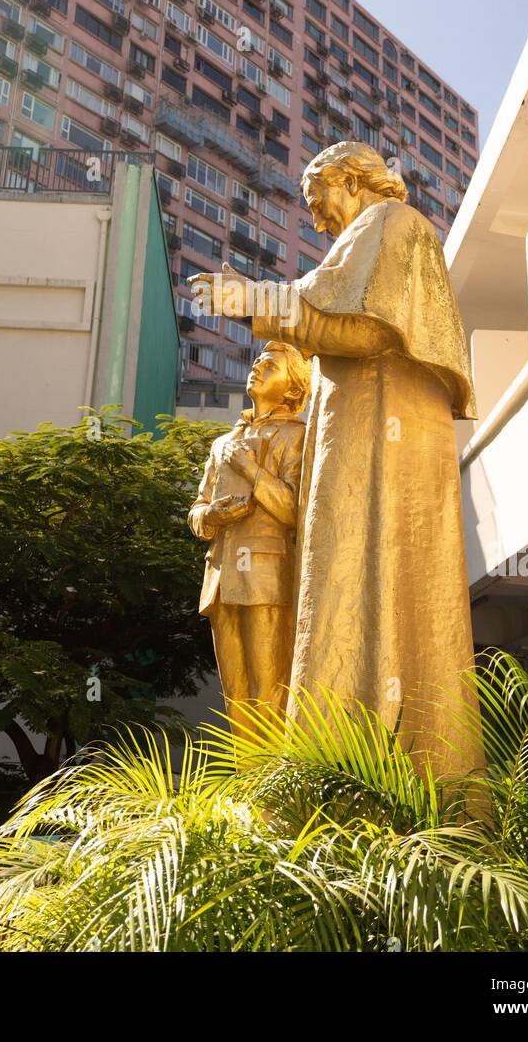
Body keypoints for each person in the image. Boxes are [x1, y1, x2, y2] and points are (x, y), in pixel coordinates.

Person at [189, 142, 482, 779]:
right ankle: (344, 760)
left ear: (350, 178)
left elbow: (365, 329)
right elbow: (337, 315)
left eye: (316, 196)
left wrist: (249, 301)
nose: (314, 216)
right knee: (349, 582)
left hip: (383, 427)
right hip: (368, 421)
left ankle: (374, 765)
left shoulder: (392, 225)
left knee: (371, 573)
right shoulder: (373, 234)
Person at [188, 341, 310, 739]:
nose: (257, 367)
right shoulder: (222, 442)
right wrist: (211, 516)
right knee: (234, 695)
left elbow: (295, 510)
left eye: (270, 366)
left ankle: (270, 792)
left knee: (270, 690)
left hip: (266, 575)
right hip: (221, 577)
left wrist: (249, 469)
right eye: (257, 361)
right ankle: (246, 787)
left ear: (293, 390)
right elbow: (197, 510)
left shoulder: (299, 437)